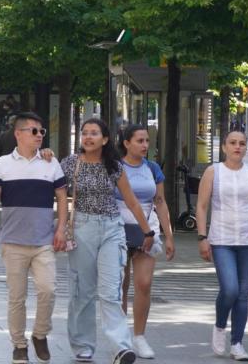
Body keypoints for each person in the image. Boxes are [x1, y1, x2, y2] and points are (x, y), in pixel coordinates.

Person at [61, 118, 154, 364]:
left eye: (94, 133)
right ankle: (82, 345)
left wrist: (148, 232)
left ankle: (121, 348)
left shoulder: (114, 166)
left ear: (105, 139)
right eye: (84, 133)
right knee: (83, 290)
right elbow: (55, 190)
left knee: (111, 291)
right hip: (82, 227)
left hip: (112, 228)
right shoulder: (70, 163)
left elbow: (132, 201)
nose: (88, 137)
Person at [0, 112, 68, 364]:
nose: (39, 135)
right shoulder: (3, 164)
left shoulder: (51, 163)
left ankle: (40, 334)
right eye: (34, 131)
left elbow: (62, 197)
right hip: (13, 242)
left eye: (42, 132)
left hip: (43, 242)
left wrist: (61, 228)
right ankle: (19, 345)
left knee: (48, 289)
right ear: (18, 134)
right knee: (16, 297)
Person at [197, 130, 248, 361]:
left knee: (242, 294)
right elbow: (201, 206)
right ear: (224, 147)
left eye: (242, 143)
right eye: (232, 143)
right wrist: (202, 237)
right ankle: (220, 325)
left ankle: (237, 343)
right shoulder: (213, 172)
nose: (237, 147)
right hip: (221, 239)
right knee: (230, 289)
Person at [117, 125, 176, 359]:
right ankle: (120, 336)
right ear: (126, 143)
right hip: (119, 228)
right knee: (121, 283)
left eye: (147, 141)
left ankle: (139, 336)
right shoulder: (115, 167)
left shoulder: (152, 168)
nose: (144, 145)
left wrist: (169, 235)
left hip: (147, 231)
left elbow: (160, 202)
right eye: (139, 140)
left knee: (143, 283)